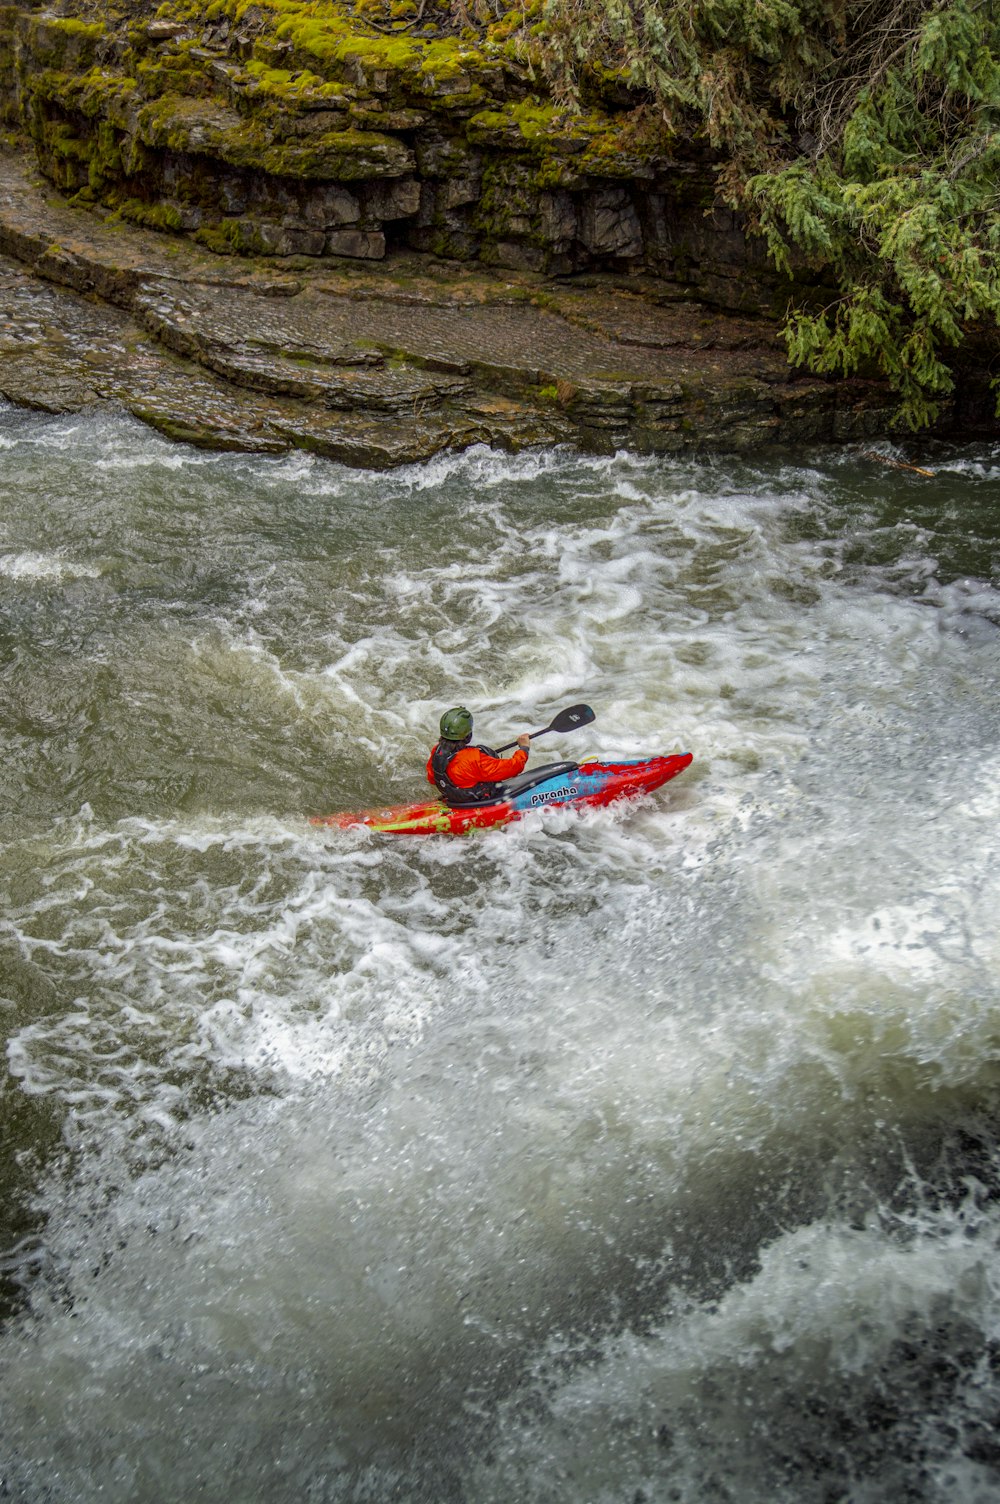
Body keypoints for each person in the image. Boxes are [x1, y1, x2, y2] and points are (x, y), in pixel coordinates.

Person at [427, 706, 530, 806]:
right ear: (468, 736)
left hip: (452, 797)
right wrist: (524, 748)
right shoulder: (475, 759)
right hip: (474, 801)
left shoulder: (437, 751)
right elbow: (514, 767)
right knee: (487, 756)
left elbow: (432, 778)